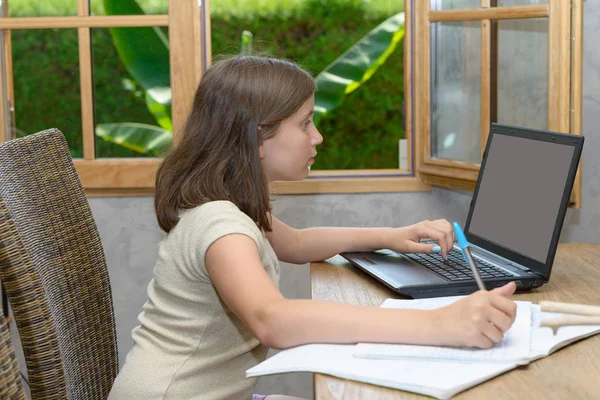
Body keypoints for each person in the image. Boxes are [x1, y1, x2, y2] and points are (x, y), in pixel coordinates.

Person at [108, 56, 517, 400]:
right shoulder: (221, 225)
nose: (317, 137)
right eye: (305, 123)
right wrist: (439, 323)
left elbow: (299, 243)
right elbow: (275, 321)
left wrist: (390, 236)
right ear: (258, 138)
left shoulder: (231, 204)